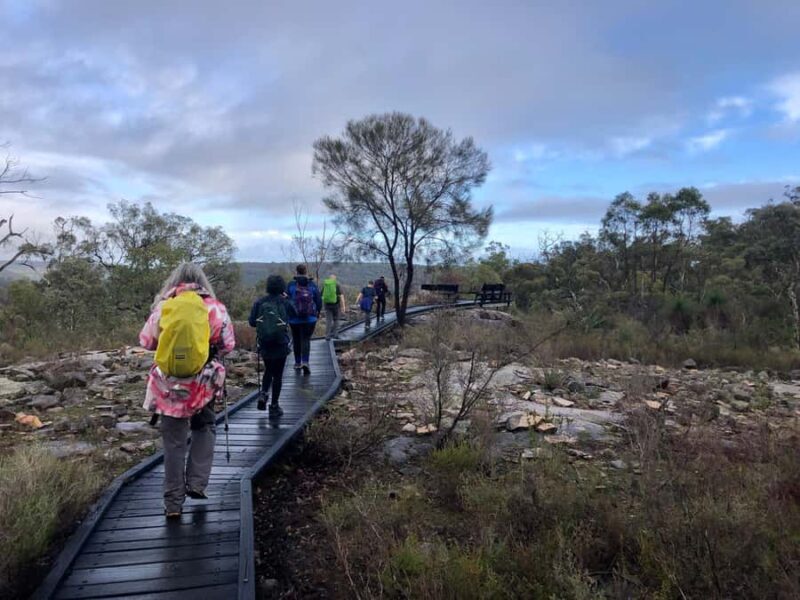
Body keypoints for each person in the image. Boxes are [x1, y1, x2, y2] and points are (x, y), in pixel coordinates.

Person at [139, 262, 235, 519]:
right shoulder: (214, 307)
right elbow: (228, 345)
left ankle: (173, 504)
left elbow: (146, 342)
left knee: (173, 442)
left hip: (168, 385)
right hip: (203, 384)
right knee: (204, 427)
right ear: (202, 282)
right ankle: (196, 484)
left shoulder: (164, 306)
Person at [248, 275, 292, 417]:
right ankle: (274, 406)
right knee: (278, 375)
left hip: (265, 342)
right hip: (280, 343)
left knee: (269, 369)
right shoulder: (284, 302)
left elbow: (252, 322)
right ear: (282, 287)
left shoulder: (260, 302)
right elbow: (294, 314)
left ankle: (264, 393)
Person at [286, 264, 322, 374]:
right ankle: (305, 362)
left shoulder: (291, 285)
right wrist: (318, 312)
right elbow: (318, 300)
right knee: (306, 339)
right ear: (306, 271)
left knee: (296, 340)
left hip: (294, 319)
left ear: (296, 271)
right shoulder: (312, 284)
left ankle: (297, 363)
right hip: (310, 318)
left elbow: (286, 300)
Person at [322, 274, 346, 340]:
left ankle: (327, 336)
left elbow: (322, 295)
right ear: (335, 279)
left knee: (328, 321)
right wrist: (343, 306)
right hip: (336, 306)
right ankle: (335, 335)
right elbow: (341, 296)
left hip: (327, 306)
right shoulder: (337, 285)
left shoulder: (325, 285)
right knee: (336, 320)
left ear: (329, 278)